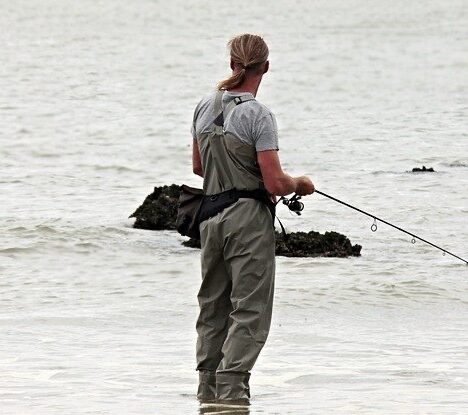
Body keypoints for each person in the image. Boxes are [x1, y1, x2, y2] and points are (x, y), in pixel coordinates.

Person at [191, 34, 315, 406]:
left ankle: (207, 393)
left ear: (232, 63)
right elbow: (276, 182)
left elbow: (199, 167)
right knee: (250, 309)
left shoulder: (202, 106)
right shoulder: (258, 115)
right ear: (266, 67)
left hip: (209, 218)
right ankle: (231, 394)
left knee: (213, 306)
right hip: (247, 219)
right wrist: (301, 184)